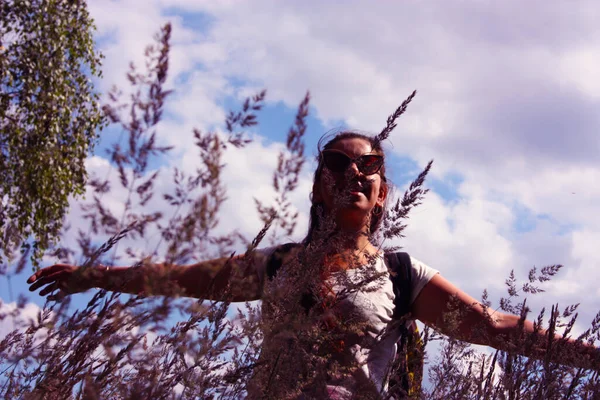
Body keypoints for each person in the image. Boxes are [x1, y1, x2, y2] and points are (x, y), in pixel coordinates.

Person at [28, 131, 599, 398]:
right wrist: (94, 274)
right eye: (338, 163)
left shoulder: (403, 275)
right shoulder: (277, 266)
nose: (355, 171)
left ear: (381, 193)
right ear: (319, 187)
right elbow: (177, 278)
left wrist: (592, 356)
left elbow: (491, 326)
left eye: (369, 165)